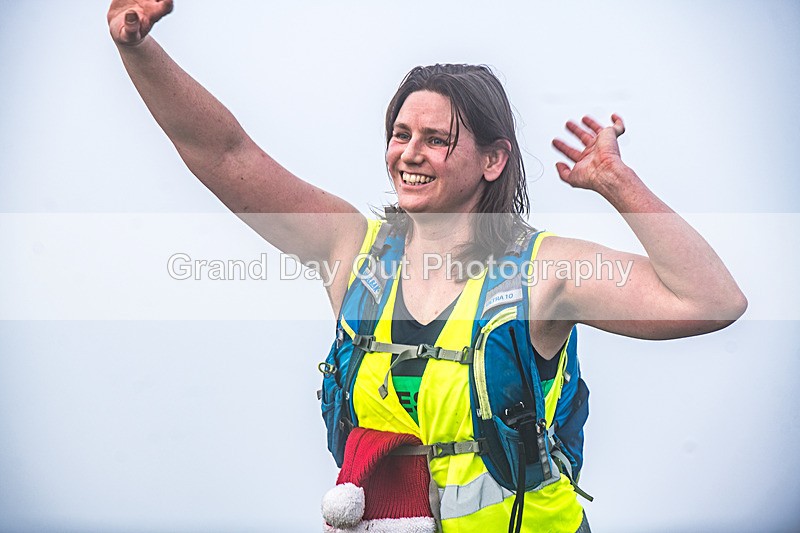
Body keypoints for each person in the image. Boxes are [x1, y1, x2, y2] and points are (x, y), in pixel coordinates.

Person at [107, 1, 748, 532]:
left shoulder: (543, 271)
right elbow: (223, 153)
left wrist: (618, 183)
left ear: (493, 160)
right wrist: (139, 50)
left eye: (436, 139)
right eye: (400, 133)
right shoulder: (351, 251)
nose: (409, 152)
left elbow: (711, 301)